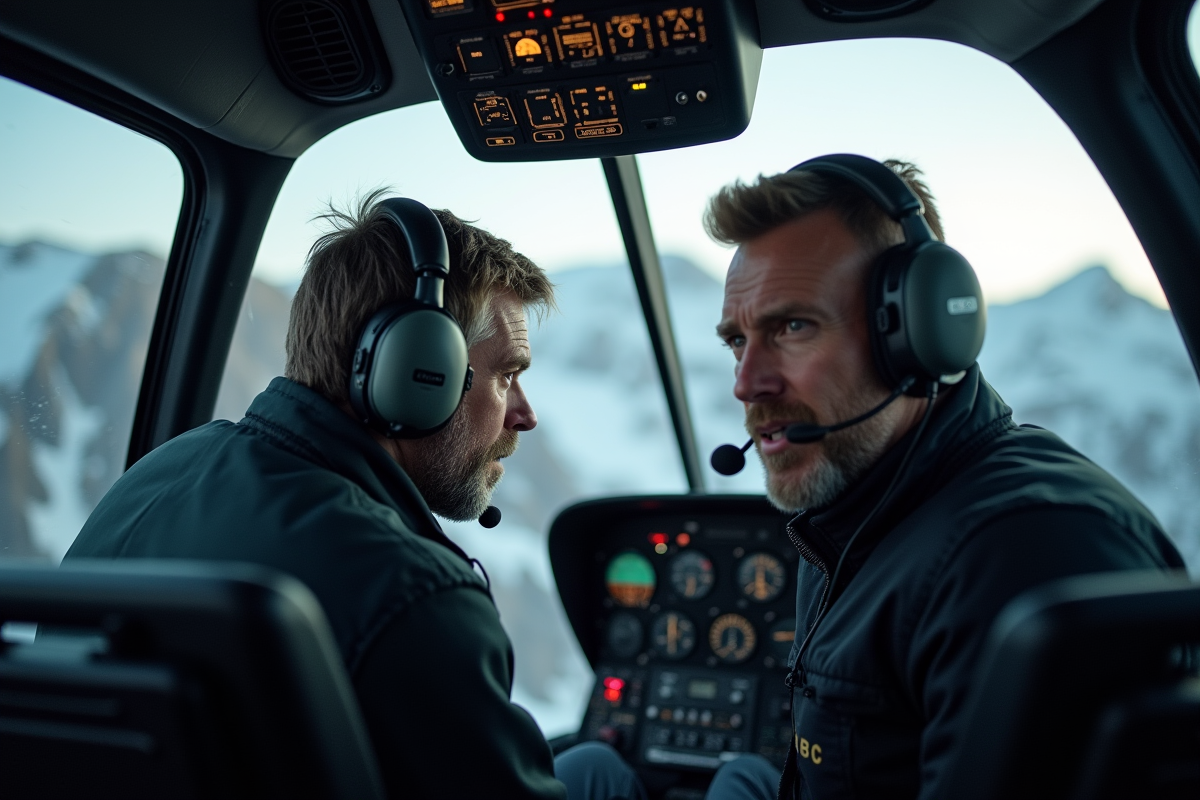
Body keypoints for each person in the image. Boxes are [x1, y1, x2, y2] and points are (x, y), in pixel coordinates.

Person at [65, 192, 602, 799]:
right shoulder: (411, 595)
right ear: (419, 372)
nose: (525, 415)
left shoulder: (159, 474)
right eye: (508, 376)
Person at [703, 156, 1186, 799]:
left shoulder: (1023, 551)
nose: (747, 382)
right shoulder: (855, 507)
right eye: (737, 341)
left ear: (920, 333)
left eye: (792, 326)